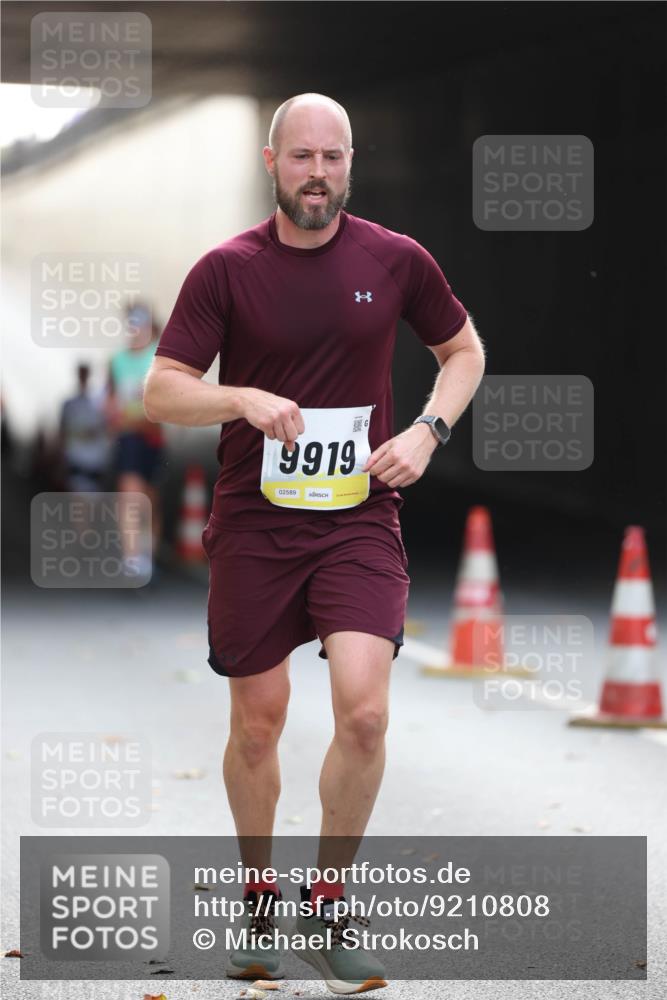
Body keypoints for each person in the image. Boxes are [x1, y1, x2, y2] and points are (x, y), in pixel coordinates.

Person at [144, 93, 485, 994]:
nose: (318, 175)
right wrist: (240, 399)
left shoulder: (395, 259)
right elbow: (162, 391)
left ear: (349, 165)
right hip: (256, 522)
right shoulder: (226, 271)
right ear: (272, 164)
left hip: (358, 516)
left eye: (333, 159)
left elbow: (463, 352)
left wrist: (426, 433)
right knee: (257, 726)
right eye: (302, 158)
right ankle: (259, 895)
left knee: (365, 714)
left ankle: (327, 906)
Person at [108, 305, 165, 575]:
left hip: (152, 436)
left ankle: (148, 554)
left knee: (150, 497)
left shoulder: (159, 356)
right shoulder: (117, 361)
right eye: (131, 321)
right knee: (129, 491)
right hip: (128, 436)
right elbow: (109, 399)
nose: (135, 327)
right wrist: (112, 416)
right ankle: (132, 556)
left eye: (140, 321)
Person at [58, 363, 110, 493]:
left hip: (94, 462)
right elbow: (62, 433)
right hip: (76, 460)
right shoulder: (69, 405)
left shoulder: (99, 404)